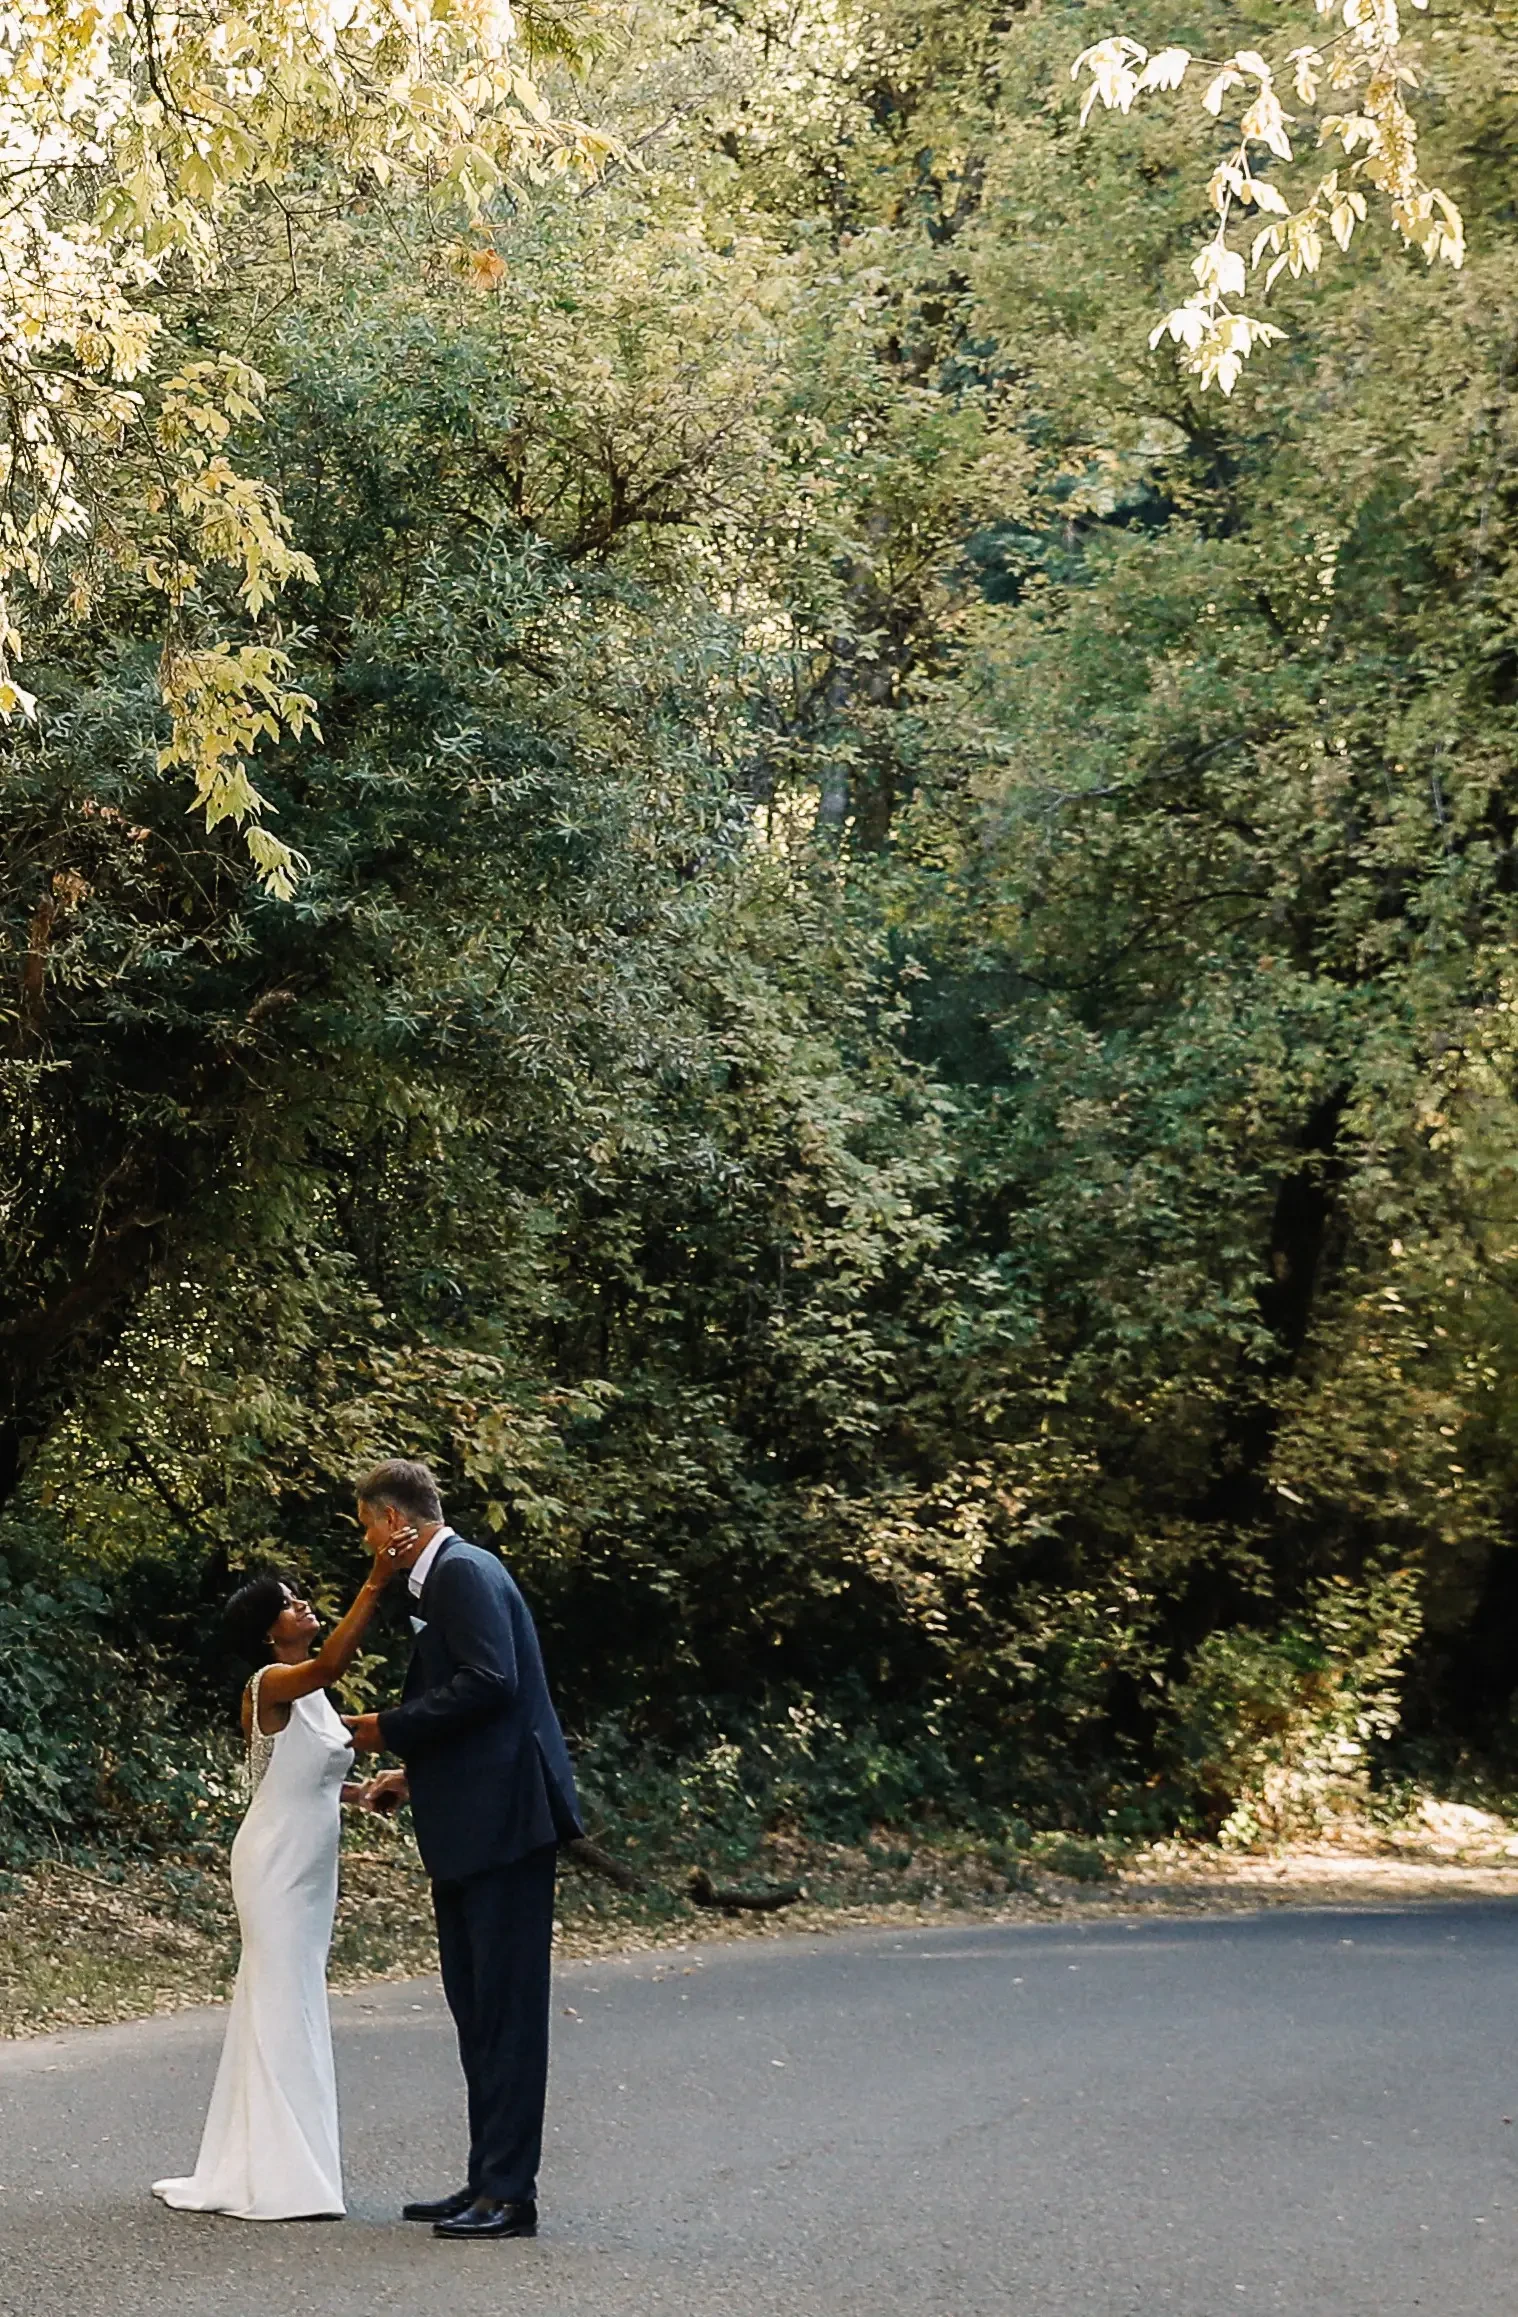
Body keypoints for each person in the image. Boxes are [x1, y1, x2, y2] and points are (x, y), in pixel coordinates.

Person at [342, 1457, 583, 2241]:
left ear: (396, 1522)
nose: (369, 1542)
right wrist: (415, 1772)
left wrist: (387, 1725)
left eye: (369, 1526)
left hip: (505, 1824)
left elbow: (491, 1681)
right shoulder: (449, 1577)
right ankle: (485, 2177)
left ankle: (510, 2194)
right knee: (476, 2005)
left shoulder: (462, 1572)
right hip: (470, 1816)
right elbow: (481, 1707)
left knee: (507, 2012)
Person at [152, 1536, 405, 2220]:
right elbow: (329, 1663)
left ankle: (280, 2158)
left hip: (310, 1861)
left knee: (291, 1994)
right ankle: (279, 2170)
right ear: (270, 1631)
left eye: (300, 1596)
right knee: (279, 1996)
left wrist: (362, 1794)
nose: (302, 1604)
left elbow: (314, 1768)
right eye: (289, 1604)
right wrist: (376, 1582)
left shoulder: (317, 1699)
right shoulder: (271, 1683)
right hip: (273, 1859)